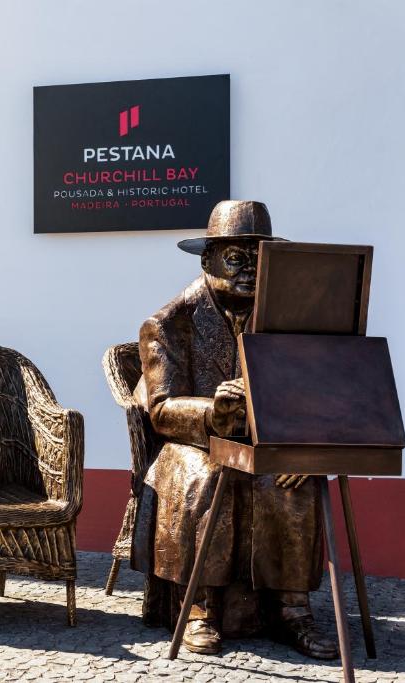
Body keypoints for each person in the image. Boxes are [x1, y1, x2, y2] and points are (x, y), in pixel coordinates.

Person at [131, 200, 337, 659]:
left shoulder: (288, 317)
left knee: (292, 480)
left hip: (266, 439)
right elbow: (160, 408)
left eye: (258, 258)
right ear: (208, 260)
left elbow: (311, 387)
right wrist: (212, 413)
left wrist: (300, 442)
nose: (249, 269)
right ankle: (199, 606)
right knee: (205, 478)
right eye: (235, 258)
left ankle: (292, 609)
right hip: (192, 441)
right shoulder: (169, 323)